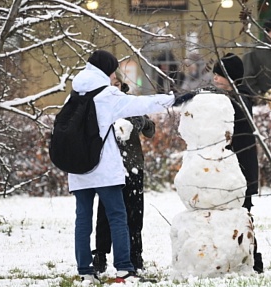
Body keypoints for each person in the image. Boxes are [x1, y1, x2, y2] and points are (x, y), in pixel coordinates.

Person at [68, 49, 186, 284]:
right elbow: (141, 103)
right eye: (113, 71)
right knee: (118, 216)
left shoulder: (75, 92)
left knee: (83, 218)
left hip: (79, 167)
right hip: (103, 168)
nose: (115, 76)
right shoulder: (107, 95)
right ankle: (123, 268)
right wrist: (173, 98)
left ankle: (85, 270)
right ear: (106, 70)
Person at [92, 69, 154, 274]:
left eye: (117, 84)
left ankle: (136, 254)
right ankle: (100, 254)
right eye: (110, 83)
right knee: (105, 212)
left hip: (132, 165)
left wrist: (140, 121)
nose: (113, 87)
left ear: (122, 86)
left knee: (134, 212)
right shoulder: (98, 104)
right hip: (108, 166)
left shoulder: (129, 103)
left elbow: (150, 128)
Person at [212, 53, 263, 273]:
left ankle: (253, 259)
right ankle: (235, 259)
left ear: (232, 78)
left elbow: (231, 133)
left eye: (220, 75)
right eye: (214, 74)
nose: (215, 79)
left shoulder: (240, 100)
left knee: (243, 216)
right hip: (230, 169)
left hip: (240, 169)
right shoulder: (228, 98)